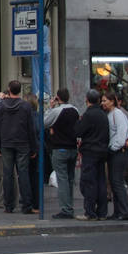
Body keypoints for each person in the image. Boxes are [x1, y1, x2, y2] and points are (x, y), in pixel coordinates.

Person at [0, 80, 37, 214]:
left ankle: (8, 204)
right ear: (20, 90)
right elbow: (31, 128)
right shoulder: (25, 106)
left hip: (6, 142)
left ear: (9, 89)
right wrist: (33, 147)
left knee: (7, 175)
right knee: (23, 173)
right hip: (22, 143)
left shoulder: (1, 106)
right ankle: (27, 205)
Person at [44, 88, 79, 219]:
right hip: (72, 147)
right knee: (70, 178)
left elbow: (44, 122)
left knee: (62, 179)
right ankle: (69, 205)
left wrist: (50, 107)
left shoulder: (57, 111)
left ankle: (66, 208)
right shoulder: (75, 110)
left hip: (59, 148)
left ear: (57, 98)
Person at [75, 89, 110, 221]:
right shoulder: (103, 114)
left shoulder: (88, 115)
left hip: (90, 151)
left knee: (89, 182)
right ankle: (102, 212)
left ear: (87, 100)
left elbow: (78, 131)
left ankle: (90, 212)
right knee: (101, 181)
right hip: (102, 150)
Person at [101, 91, 128, 220]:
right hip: (115, 151)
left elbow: (122, 132)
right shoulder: (110, 114)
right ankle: (118, 211)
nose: (103, 103)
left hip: (119, 152)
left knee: (117, 182)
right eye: (102, 101)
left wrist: (114, 148)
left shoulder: (118, 114)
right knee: (114, 182)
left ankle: (125, 212)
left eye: (105, 101)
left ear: (112, 101)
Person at [23, 93, 42, 213]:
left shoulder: (29, 117)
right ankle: (34, 202)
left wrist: (33, 149)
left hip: (31, 149)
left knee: (30, 176)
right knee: (34, 176)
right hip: (36, 148)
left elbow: (33, 132)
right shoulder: (38, 116)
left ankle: (32, 202)